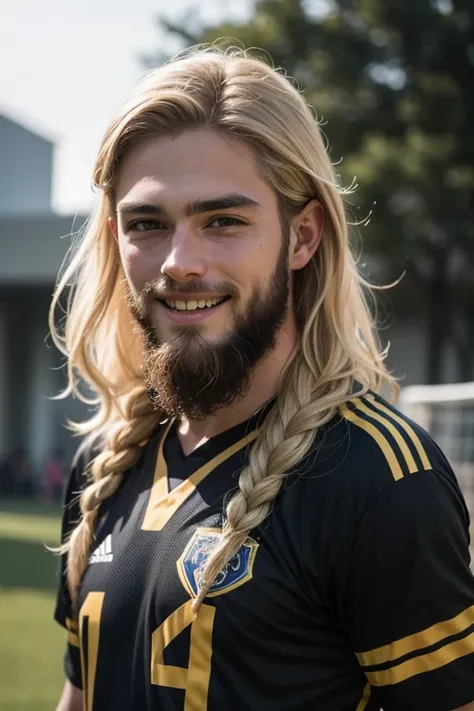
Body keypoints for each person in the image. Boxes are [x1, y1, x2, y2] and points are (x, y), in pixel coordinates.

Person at [51, 46, 474, 711]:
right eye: (148, 225)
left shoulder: (379, 478)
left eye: (223, 221)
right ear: (116, 237)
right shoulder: (106, 462)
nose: (180, 262)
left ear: (303, 235)